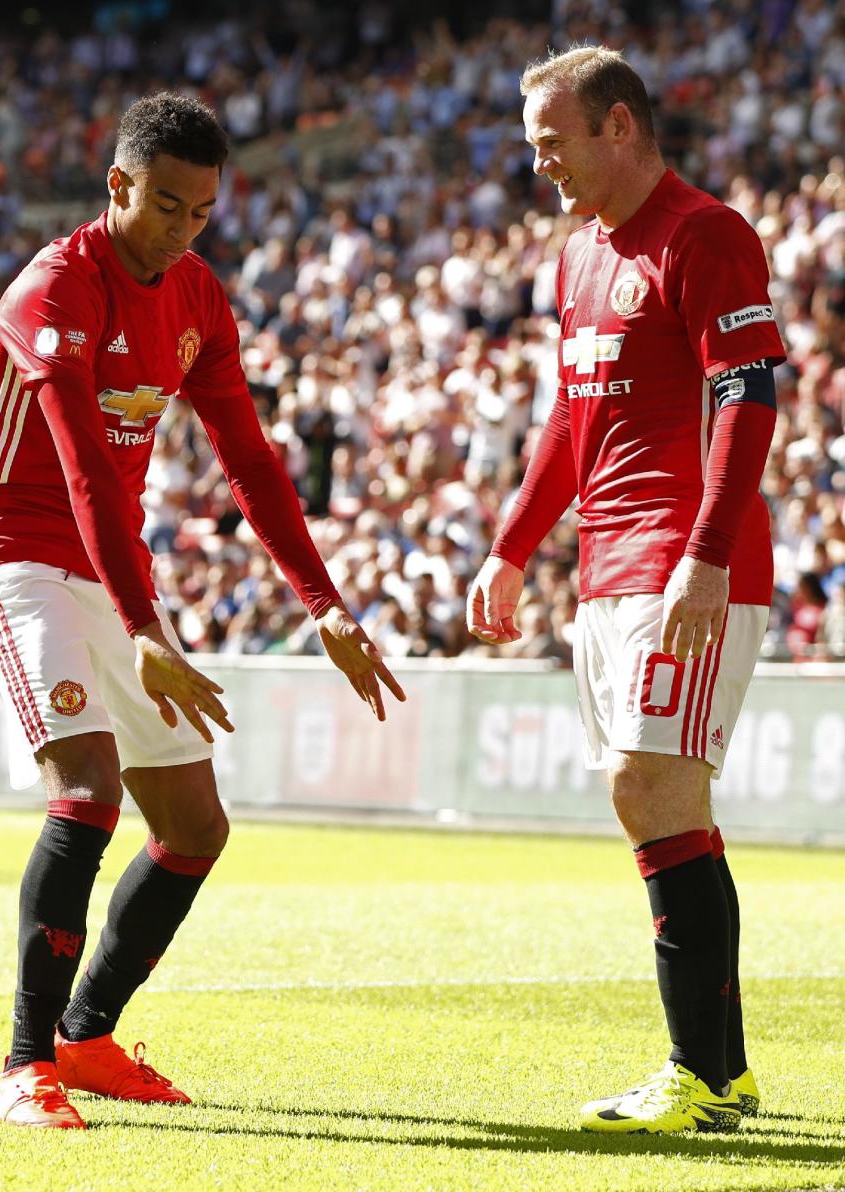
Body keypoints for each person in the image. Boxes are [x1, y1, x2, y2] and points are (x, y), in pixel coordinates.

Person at [0, 92, 405, 1130]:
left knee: (197, 825)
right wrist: (151, 632)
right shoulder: (52, 292)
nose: (184, 229)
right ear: (117, 186)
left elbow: (248, 459)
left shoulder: (199, 296)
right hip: (20, 556)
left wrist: (325, 602)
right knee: (87, 789)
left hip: (118, 572)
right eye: (166, 205)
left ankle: (87, 1033)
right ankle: (25, 1067)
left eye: (201, 211)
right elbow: (79, 475)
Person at [466, 47, 784, 1135]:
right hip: (605, 568)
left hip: (686, 563)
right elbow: (571, 419)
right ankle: (725, 1072)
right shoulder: (578, 260)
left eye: (551, 139)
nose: (538, 159)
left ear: (617, 124)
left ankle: (697, 1073)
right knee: (663, 802)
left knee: (649, 789)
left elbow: (748, 400)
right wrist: (512, 546)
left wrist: (707, 550)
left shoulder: (707, 232)